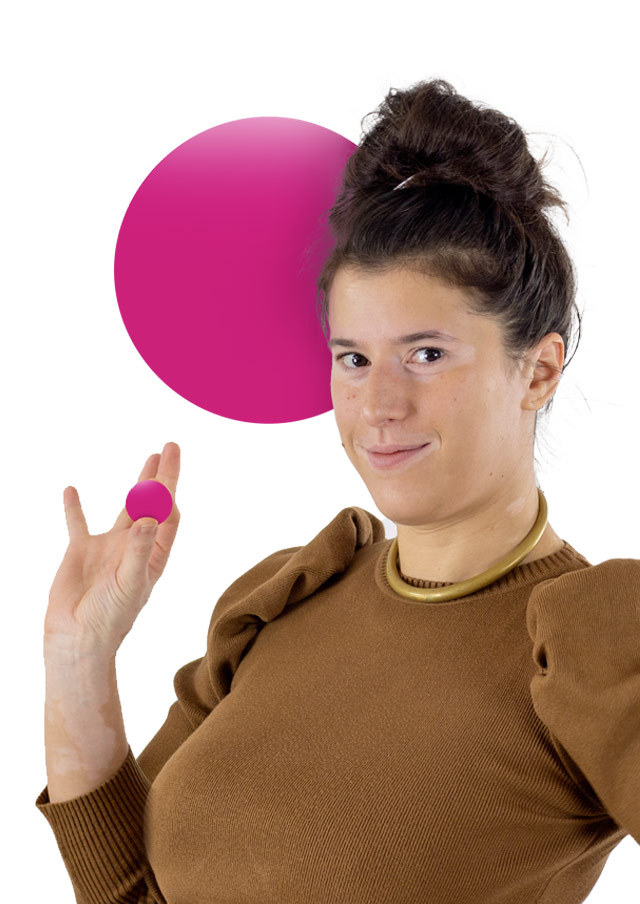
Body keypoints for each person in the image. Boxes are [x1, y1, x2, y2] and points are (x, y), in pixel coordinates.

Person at [35, 79, 639, 904]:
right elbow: (134, 895)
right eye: (353, 358)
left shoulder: (592, 638)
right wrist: (78, 659)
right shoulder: (288, 598)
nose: (378, 404)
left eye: (427, 354)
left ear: (537, 370)